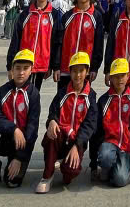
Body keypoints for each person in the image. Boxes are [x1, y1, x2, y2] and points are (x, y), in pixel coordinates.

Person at [0, 49, 41, 188]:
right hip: (4, 138)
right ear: (12, 69)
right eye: (17, 68)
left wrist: (19, 157)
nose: (21, 72)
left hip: (22, 144)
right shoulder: (3, 90)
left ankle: (14, 163)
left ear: (31, 71)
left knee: (12, 182)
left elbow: (32, 128)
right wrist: (14, 129)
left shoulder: (33, 94)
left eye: (25, 68)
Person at [35, 52, 98, 194]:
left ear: (87, 72)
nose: (78, 75)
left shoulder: (91, 96)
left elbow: (90, 125)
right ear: (69, 72)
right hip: (61, 137)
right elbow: (53, 111)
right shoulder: (63, 92)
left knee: (69, 173)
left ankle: (63, 162)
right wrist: (52, 121)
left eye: (81, 71)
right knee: (52, 134)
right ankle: (47, 176)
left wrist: (77, 145)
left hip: (76, 141)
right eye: (74, 71)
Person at [92, 58, 130, 188]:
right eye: (116, 76)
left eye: (123, 75)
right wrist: (93, 166)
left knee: (121, 180)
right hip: (109, 144)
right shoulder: (103, 101)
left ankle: (119, 167)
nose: (120, 80)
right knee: (106, 156)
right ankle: (107, 167)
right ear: (111, 78)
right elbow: (96, 132)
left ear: (128, 76)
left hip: (126, 147)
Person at [54, 0, 106, 87]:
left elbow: (99, 44)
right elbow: (59, 42)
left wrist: (94, 68)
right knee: (64, 97)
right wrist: (56, 66)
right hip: (66, 69)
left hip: (85, 70)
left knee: (83, 98)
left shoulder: (96, 17)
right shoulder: (67, 16)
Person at [9, 0, 57, 81]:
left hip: (42, 64)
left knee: (34, 90)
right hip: (23, 63)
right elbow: (16, 39)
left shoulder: (55, 15)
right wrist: (10, 65)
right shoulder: (25, 14)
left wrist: (53, 66)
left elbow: (56, 42)